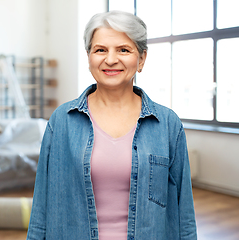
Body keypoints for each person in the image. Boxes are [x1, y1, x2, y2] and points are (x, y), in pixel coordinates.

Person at [26, 10, 197, 240]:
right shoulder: (61, 121)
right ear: (89, 57)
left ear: (141, 59)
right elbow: (41, 209)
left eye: (123, 50)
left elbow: (183, 213)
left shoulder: (167, 124)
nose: (110, 59)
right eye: (100, 50)